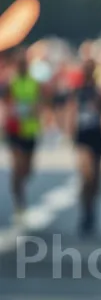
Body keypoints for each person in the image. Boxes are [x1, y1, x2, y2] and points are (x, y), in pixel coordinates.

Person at [67, 59, 101, 236]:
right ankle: (85, 211)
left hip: (97, 136)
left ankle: (92, 208)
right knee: (87, 175)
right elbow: (71, 112)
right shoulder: (77, 92)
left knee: (96, 180)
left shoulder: (99, 93)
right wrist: (71, 134)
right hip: (83, 136)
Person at [3, 52, 42, 224]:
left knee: (27, 169)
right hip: (14, 130)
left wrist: (35, 111)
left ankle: (20, 187)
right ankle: (19, 202)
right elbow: (5, 105)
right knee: (18, 167)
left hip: (30, 130)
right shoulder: (10, 83)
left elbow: (40, 104)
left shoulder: (34, 83)